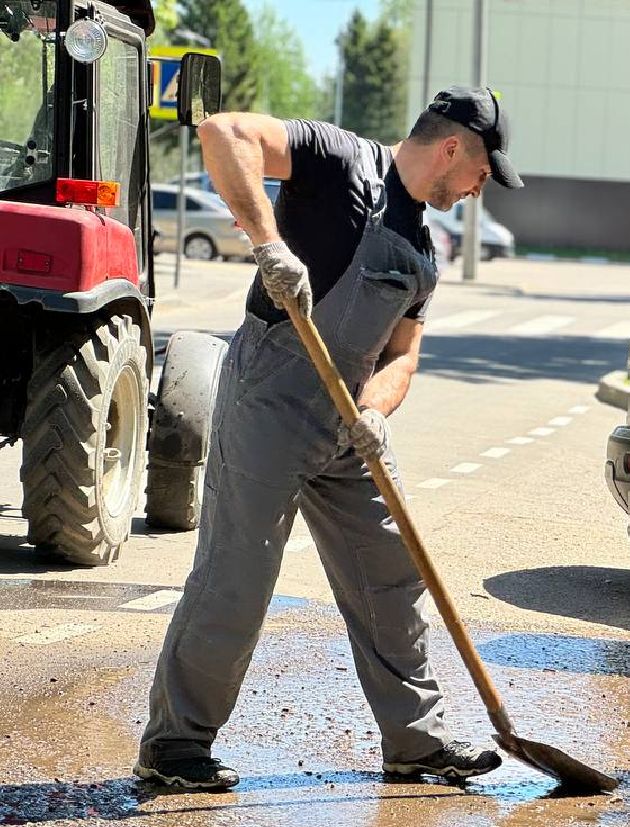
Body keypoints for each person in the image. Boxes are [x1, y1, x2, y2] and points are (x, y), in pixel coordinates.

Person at [135, 87, 523, 790]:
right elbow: (223, 132)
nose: (478, 191)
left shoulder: (422, 253)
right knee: (237, 576)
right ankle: (175, 746)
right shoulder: (340, 160)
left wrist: (374, 413)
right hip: (271, 401)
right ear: (453, 147)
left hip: (348, 425)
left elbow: (403, 355)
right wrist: (269, 244)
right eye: (482, 174)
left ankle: (418, 742)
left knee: (393, 574)